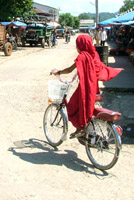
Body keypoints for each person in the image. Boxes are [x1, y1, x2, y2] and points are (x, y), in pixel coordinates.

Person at [51, 34, 123, 138]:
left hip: (85, 87)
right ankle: (83, 128)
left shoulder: (82, 56)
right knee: (85, 107)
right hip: (94, 87)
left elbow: (70, 69)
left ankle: (80, 128)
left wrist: (58, 72)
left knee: (72, 105)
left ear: (80, 45)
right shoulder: (94, 54)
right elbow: (97, 69)